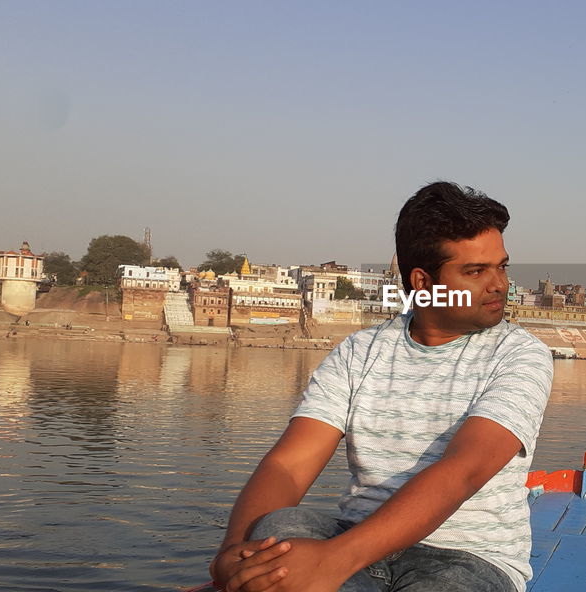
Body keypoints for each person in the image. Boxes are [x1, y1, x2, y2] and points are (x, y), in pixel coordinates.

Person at [209, 182, 554, 592]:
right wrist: (232, 551)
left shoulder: (520, 355)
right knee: (275, 527)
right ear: (424, 283)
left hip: (467, 560)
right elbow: (289, 464)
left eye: (502, 266)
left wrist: (332, 562)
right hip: (358, 539)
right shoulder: (360, 352)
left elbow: (462, 471)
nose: (499, 284)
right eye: (476, 271)